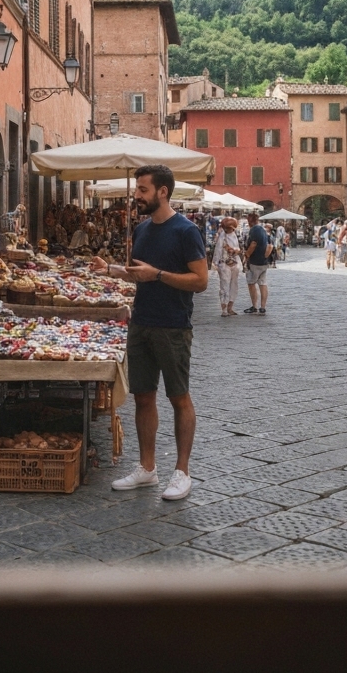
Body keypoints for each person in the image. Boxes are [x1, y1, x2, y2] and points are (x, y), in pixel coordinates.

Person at [91, 165, 208, 501]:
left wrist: (158, 275)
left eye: (143, 190)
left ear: (163, 192)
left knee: (178, 397)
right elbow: (137, 274)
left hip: (173, 326)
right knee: (143, 396)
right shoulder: (142, 230)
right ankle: (147, 468)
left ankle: (182, 472)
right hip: (141, 322)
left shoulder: (186, 231)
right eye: (137, 189)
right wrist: (110, 270)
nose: (136, 195)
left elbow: (200, 281)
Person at [211, 216, 242, 317]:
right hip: (224, 263)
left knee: (234, 285)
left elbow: (238, 248)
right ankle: (224, 309)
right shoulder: (222, 237)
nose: (228, 229)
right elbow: (218, 250)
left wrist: (236, 250)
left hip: (235, 263)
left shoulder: (234, 235)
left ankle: (230, 307)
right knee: (224, 286)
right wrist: (215, 263)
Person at [243, 210, 271, 313]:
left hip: (255, 261)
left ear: (250, 220)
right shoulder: (263, 230)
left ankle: (254, 306)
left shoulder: (254, 230)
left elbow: (253, 244)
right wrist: (265, 256)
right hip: (263, 262)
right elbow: (270, 245)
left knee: (251, 283)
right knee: (262, 283)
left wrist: (246, 255)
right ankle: (263, 307)